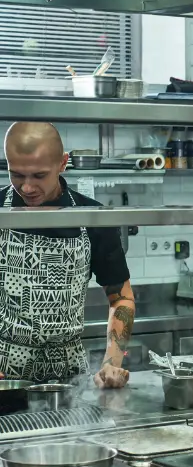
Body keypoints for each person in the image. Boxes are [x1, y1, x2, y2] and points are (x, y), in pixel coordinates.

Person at [0, 122, 133, 388]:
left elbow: (121, 299)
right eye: (17, 175)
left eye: (38, 176)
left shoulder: (91, 216)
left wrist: (112, 362)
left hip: (70, 378)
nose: (26, 188)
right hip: (4, 376)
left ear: (63, 163)